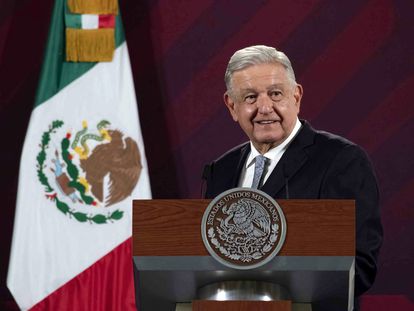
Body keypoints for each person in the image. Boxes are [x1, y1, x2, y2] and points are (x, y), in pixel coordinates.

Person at [203, 45, 383, 307]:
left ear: (296, 97)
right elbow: (205, 257)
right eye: (250, 97)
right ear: (232, 106)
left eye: (276, 94)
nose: (264, 108)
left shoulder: (341, 160)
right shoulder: (222, 169)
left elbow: (360, 265)